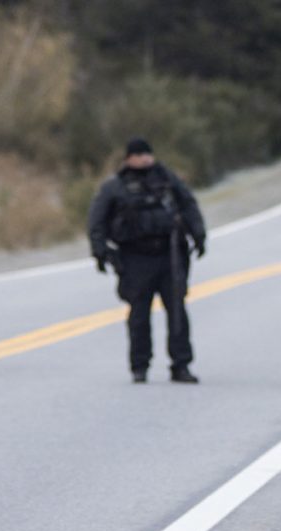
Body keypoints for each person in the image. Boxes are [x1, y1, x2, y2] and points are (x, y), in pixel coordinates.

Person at [88, 138, 206, 384]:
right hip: (135, 258)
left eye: (147, 154)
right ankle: (139, 366)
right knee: (139, 315)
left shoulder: (167, 180)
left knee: (177, 311)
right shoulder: (115, 187)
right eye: (139, 154)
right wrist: (100, 251)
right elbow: (97, 220)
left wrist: (199, 234)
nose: (144, 159)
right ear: (128, 158)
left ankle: (181, 364)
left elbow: (189, 205)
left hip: (169, 254)